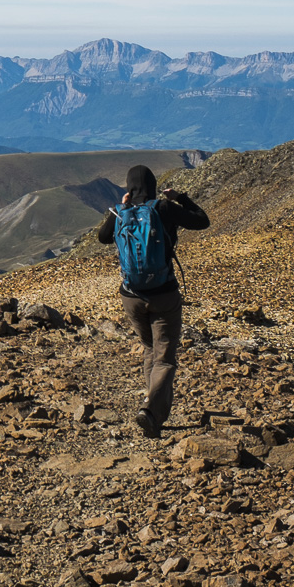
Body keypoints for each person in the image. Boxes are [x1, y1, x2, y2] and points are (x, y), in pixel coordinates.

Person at [95, 165, 210, 439]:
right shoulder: (163, 209)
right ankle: (151, 410)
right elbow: (201, 220)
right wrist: (180, 197)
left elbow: (101, 238)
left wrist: (122, 207)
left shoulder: (120, 213)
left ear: (129, 187)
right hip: (164, 293)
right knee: (165, 358)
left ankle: (152, 410)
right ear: (154, 185)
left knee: (149, 348)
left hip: (131, 296)